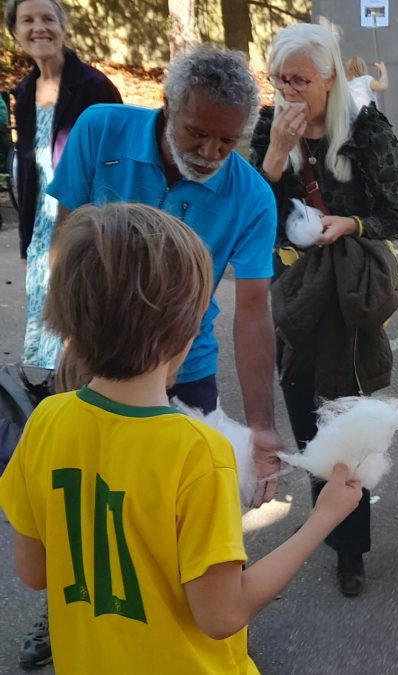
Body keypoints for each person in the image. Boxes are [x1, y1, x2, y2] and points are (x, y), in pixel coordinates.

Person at [0, 202, 363, 674]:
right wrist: (324, 516)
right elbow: (224, 615)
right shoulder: (197, 452)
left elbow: (35, 572)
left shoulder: (46, 421)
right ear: (188, 328)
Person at [45, 45, 283, 500]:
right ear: (168, 104)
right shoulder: (100, 129)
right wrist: (70, 336)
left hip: (184, 369)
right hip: (94, 354)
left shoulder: (251, 197)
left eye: (227, 142)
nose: (210, 152)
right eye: (196, 133)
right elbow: (66, 241)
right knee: (86, 498)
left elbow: (253, 312)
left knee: (175, 509)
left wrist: (261, 427)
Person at [249, 23, 398, 599]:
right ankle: (325, 521)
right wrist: (273, 157)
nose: (288, 90)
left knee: (347, 422)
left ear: (332, 76)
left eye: (300, 79)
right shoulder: (272, 124)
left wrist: (353, 224)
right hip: (294, 288)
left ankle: (350, 551)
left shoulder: (365, 129)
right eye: (278, 79)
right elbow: (250, 213)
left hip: (349, 291)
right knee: (303, 409)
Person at [7, 0, 121, 374]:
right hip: (42, 232)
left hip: (81, 228)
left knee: (83, 329)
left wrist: (103, 238)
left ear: (63, 25)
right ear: (15, 31)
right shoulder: (24, 91)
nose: (38, 28)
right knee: (49, 333)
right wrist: (28, 243)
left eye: (47, 19)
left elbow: (115, 170)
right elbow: (28, 175)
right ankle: (57, 407)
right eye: (27, 20)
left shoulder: (93, 87)